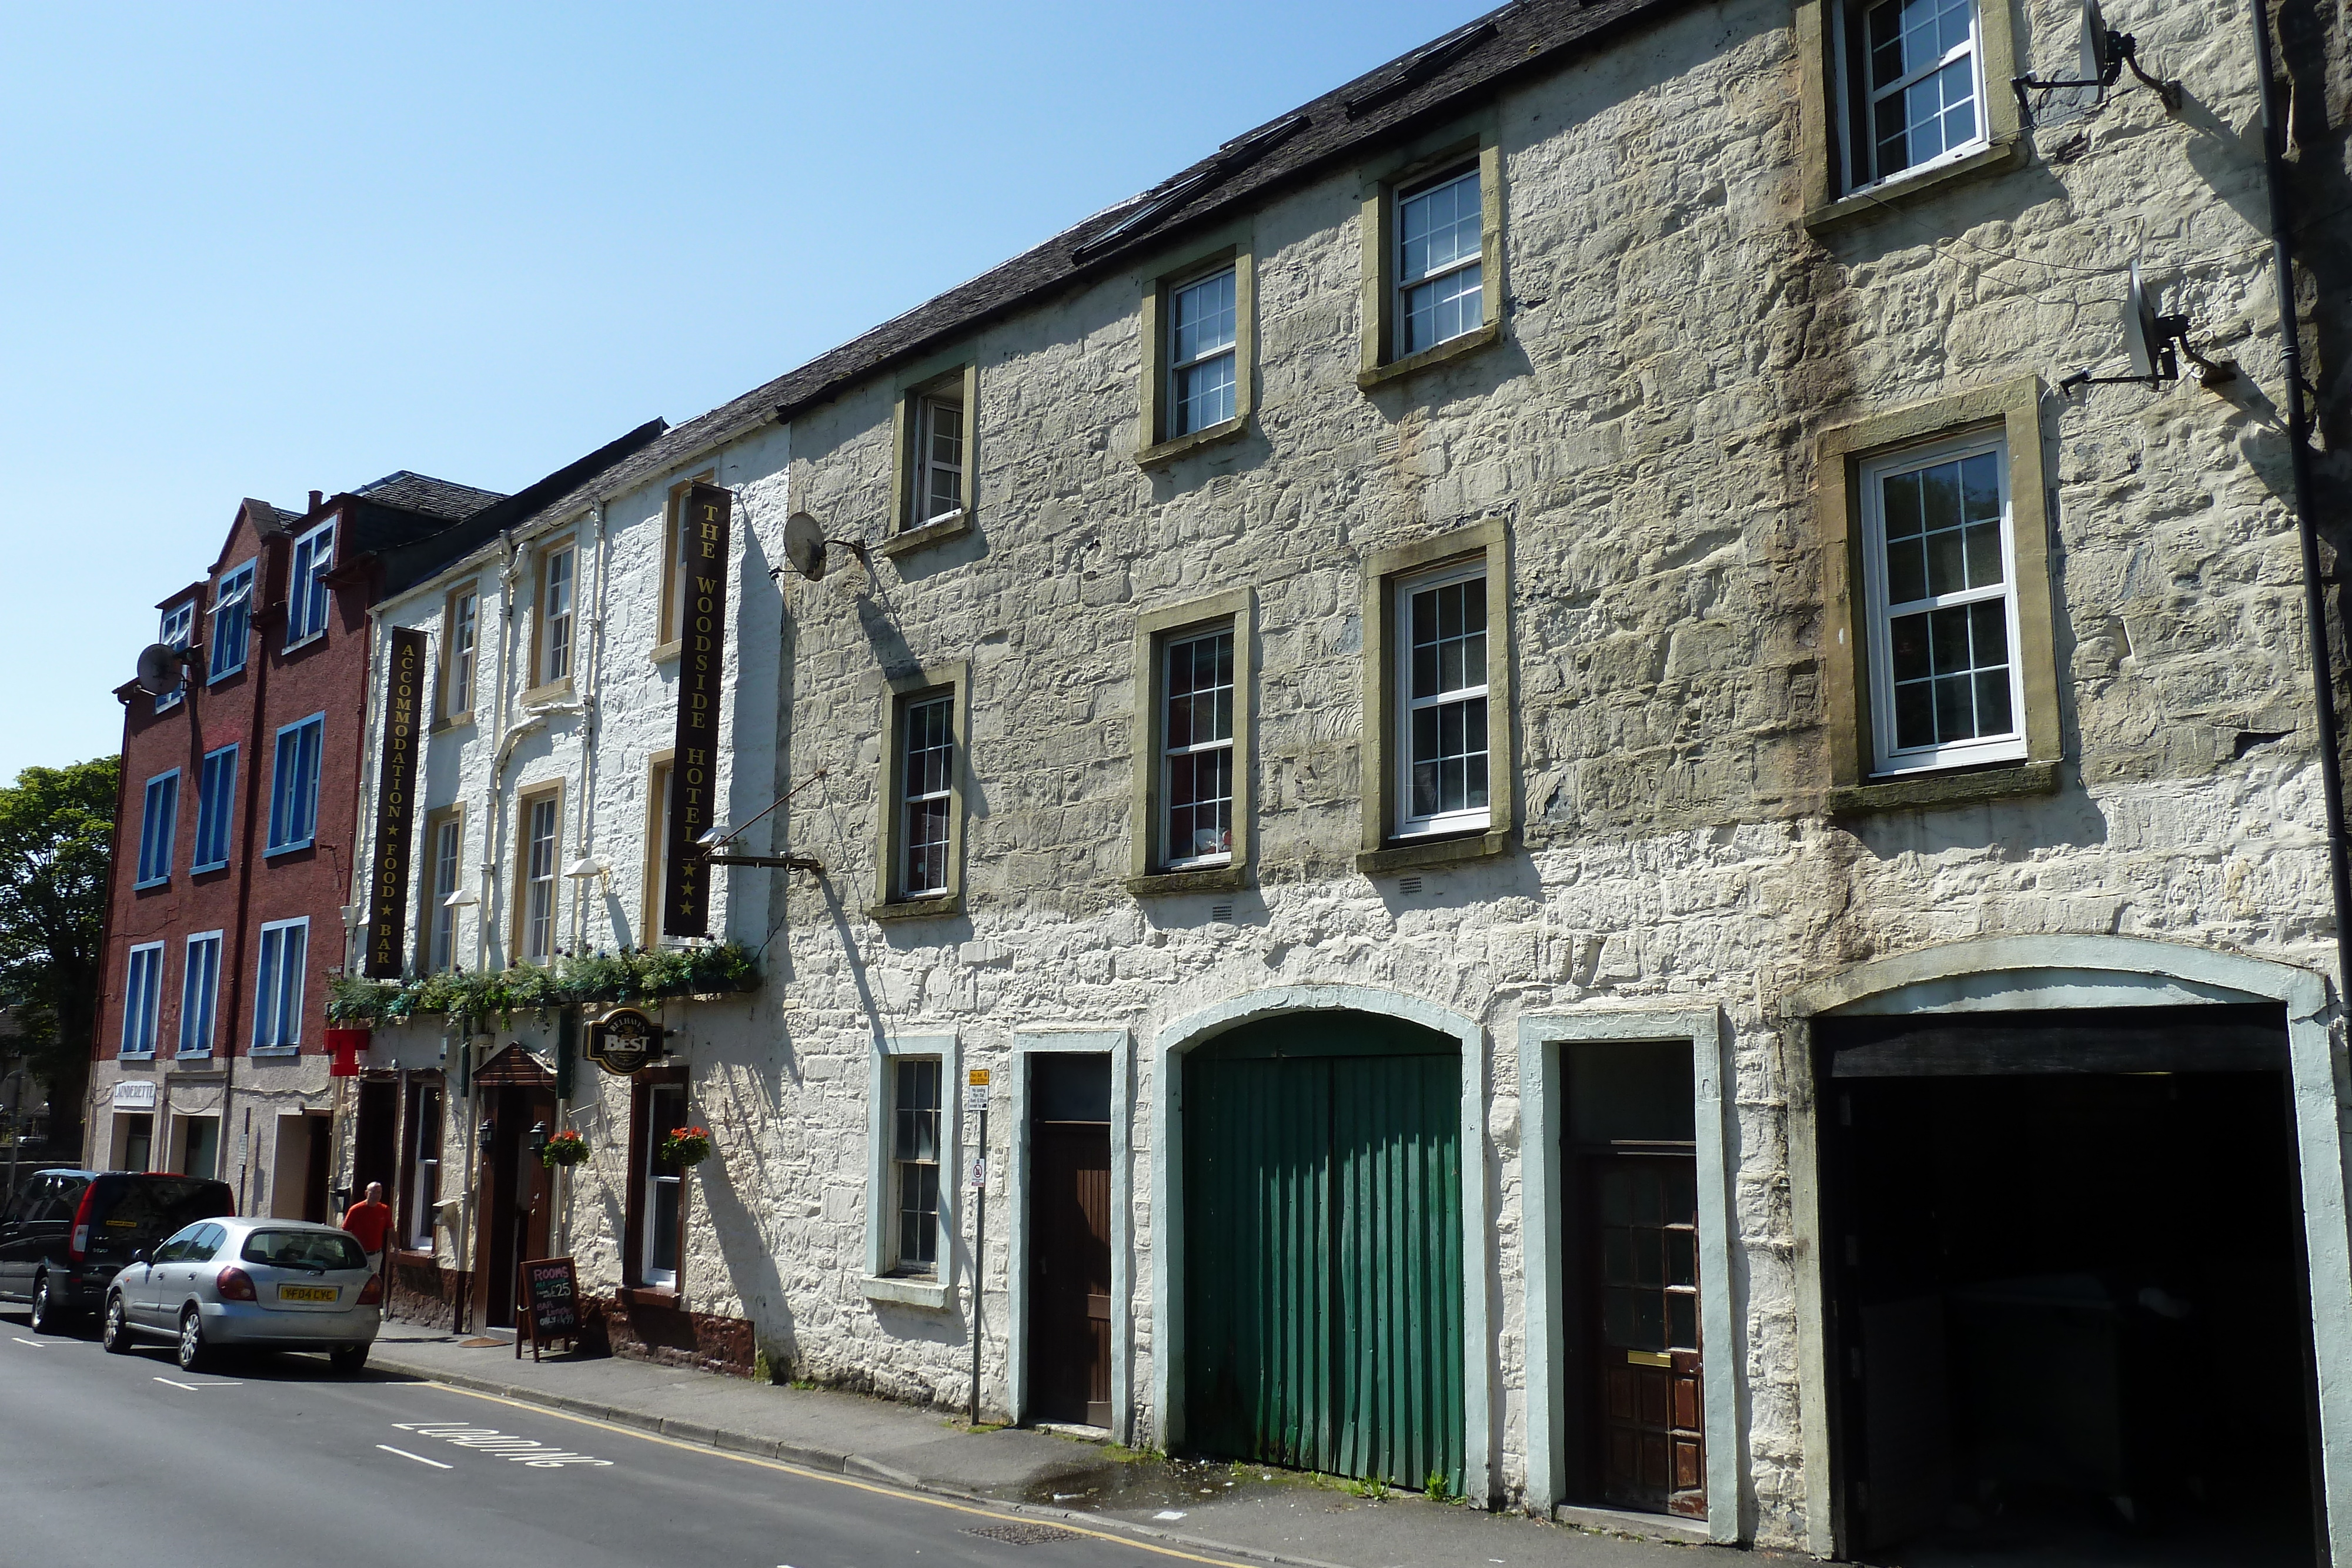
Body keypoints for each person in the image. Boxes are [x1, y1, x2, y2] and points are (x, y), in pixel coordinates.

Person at [341, 1181, 396, 1278]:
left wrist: (396, 1248)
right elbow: (345, 1231)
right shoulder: (356, 1210)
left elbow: (391, 1229)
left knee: (372, 1281)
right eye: (373, 1192)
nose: (376, 1195)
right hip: (358, 1254)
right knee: (357, 1280)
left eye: (379, 1192)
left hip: (375, 1255)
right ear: (366, 1193)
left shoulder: (384, 1209)